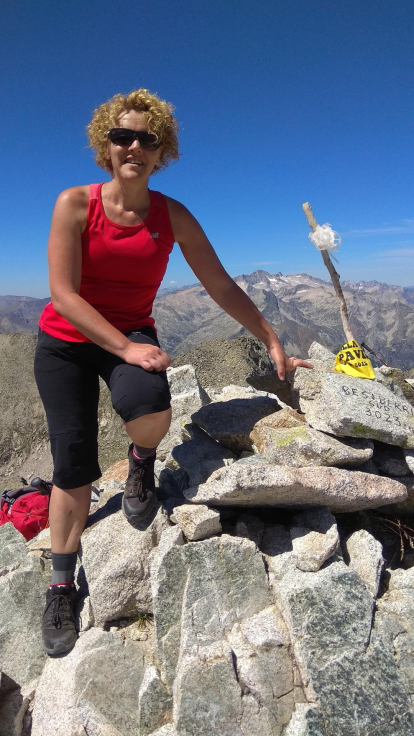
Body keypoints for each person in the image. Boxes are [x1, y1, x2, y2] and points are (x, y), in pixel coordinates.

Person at [34, 88, 312, 656]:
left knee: (152, 414)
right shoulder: (74, 204)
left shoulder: (171, 215)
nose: (133, 146)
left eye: (147, 139)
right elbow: (63, 295)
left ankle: (141, 463)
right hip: (66, 343)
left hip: (130, 335)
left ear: (162, 151)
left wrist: (271, 337)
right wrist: (123, 349)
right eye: (122, 136)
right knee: (73, 468)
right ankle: (62, 583)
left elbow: (220, 284)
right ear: (104, 146)